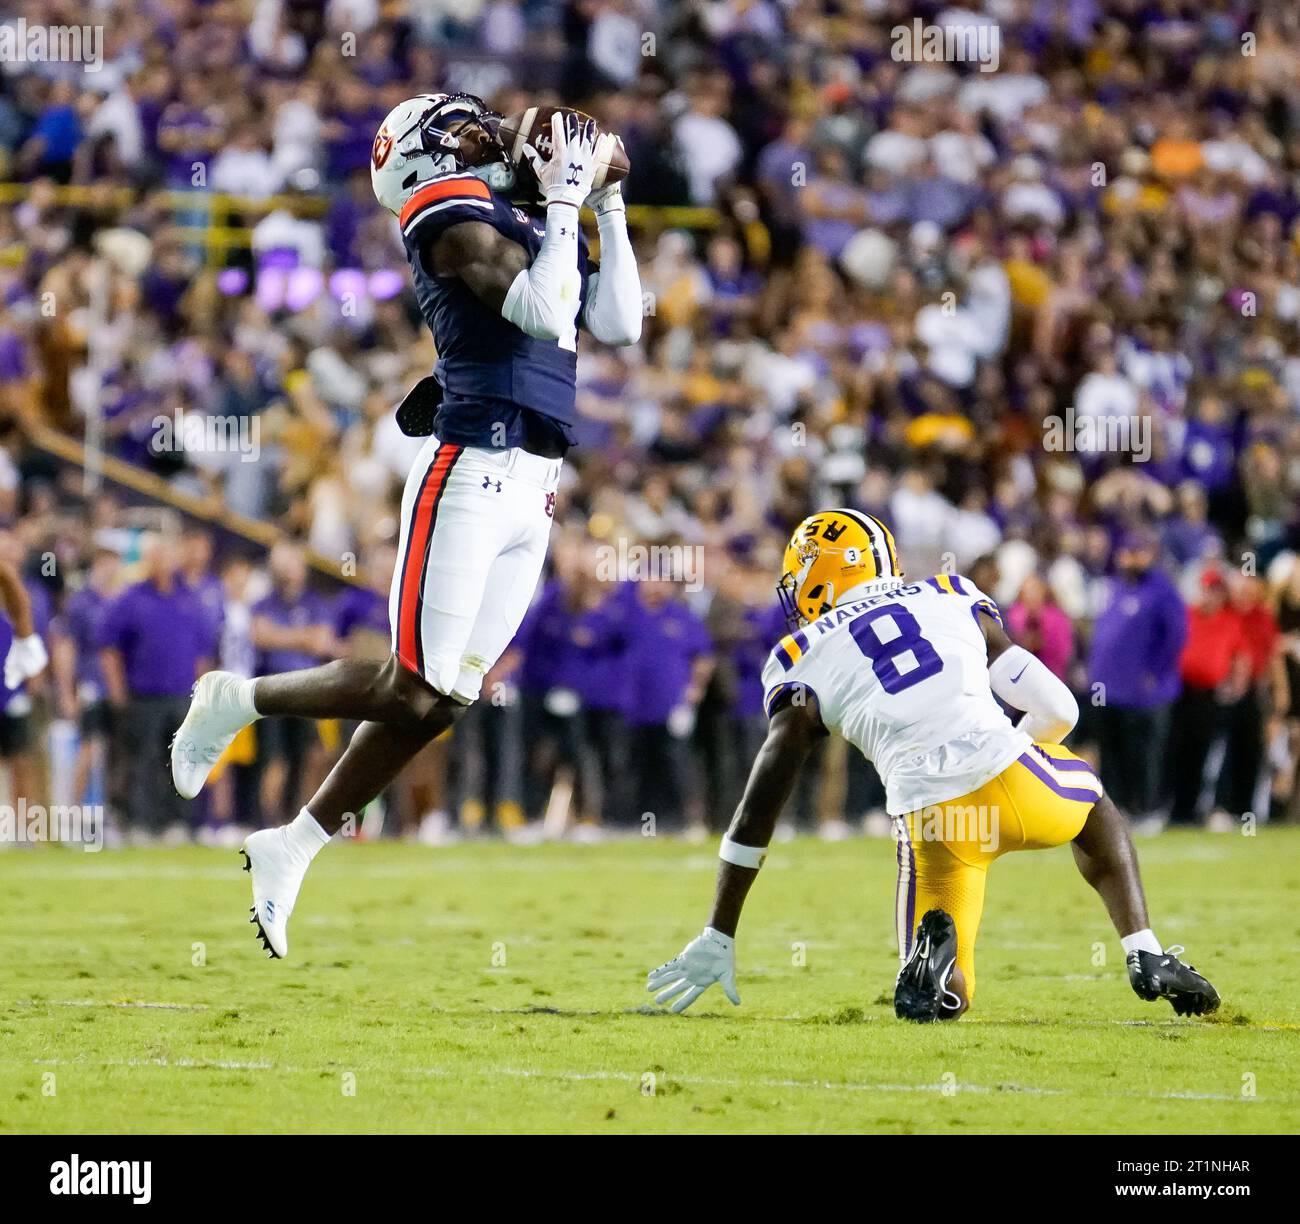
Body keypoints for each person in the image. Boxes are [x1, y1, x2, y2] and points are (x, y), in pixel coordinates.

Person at [170, 95, 641, 957]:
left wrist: (602, 204)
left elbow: (618, 323)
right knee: (407, 682)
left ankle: (294, 844)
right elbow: (541, 312)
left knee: (442, 701)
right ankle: (235, 698)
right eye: (465, 127)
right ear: (432, 153)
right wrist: (569, 203)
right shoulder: (443, 210)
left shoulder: (518, 206)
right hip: (469, 469)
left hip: (536, 480)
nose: (490, 130)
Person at [647, 509, 1219, 1021]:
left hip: (930, 818)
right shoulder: (949, 594)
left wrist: (718, 932)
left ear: (822, 576)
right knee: (1091, 798)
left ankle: (938, 967)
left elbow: (758, 809)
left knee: (943, 999)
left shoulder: (800, 655)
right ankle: (1145, 952)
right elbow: (1060, 706)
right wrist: (1014, 753)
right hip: (1015, 783)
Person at [99, 534, 217, 842]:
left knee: (181, 762)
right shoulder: (130, 598)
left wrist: (201, 695)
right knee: (142, 761)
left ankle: (176, 823)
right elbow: (109, 648)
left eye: (168, 554)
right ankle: (139, 823)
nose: (163, 561)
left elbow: (202, 653)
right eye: (157, 555)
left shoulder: (190, 598)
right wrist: (117, 691)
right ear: (147, 561)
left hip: (181, 696)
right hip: (144, 696)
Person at [1086, 531, 1187, 823]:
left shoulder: (1162, 592)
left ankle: (1150, 809)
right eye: (1126, 553)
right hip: (1110, 690)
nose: (1129, 559)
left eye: (1136, 553)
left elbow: (1176, 636)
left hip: (1147, 694)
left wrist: (1155, 673)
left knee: (1145, 754)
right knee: (1112, 754)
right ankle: (1122, 810)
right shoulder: (1115, 588)